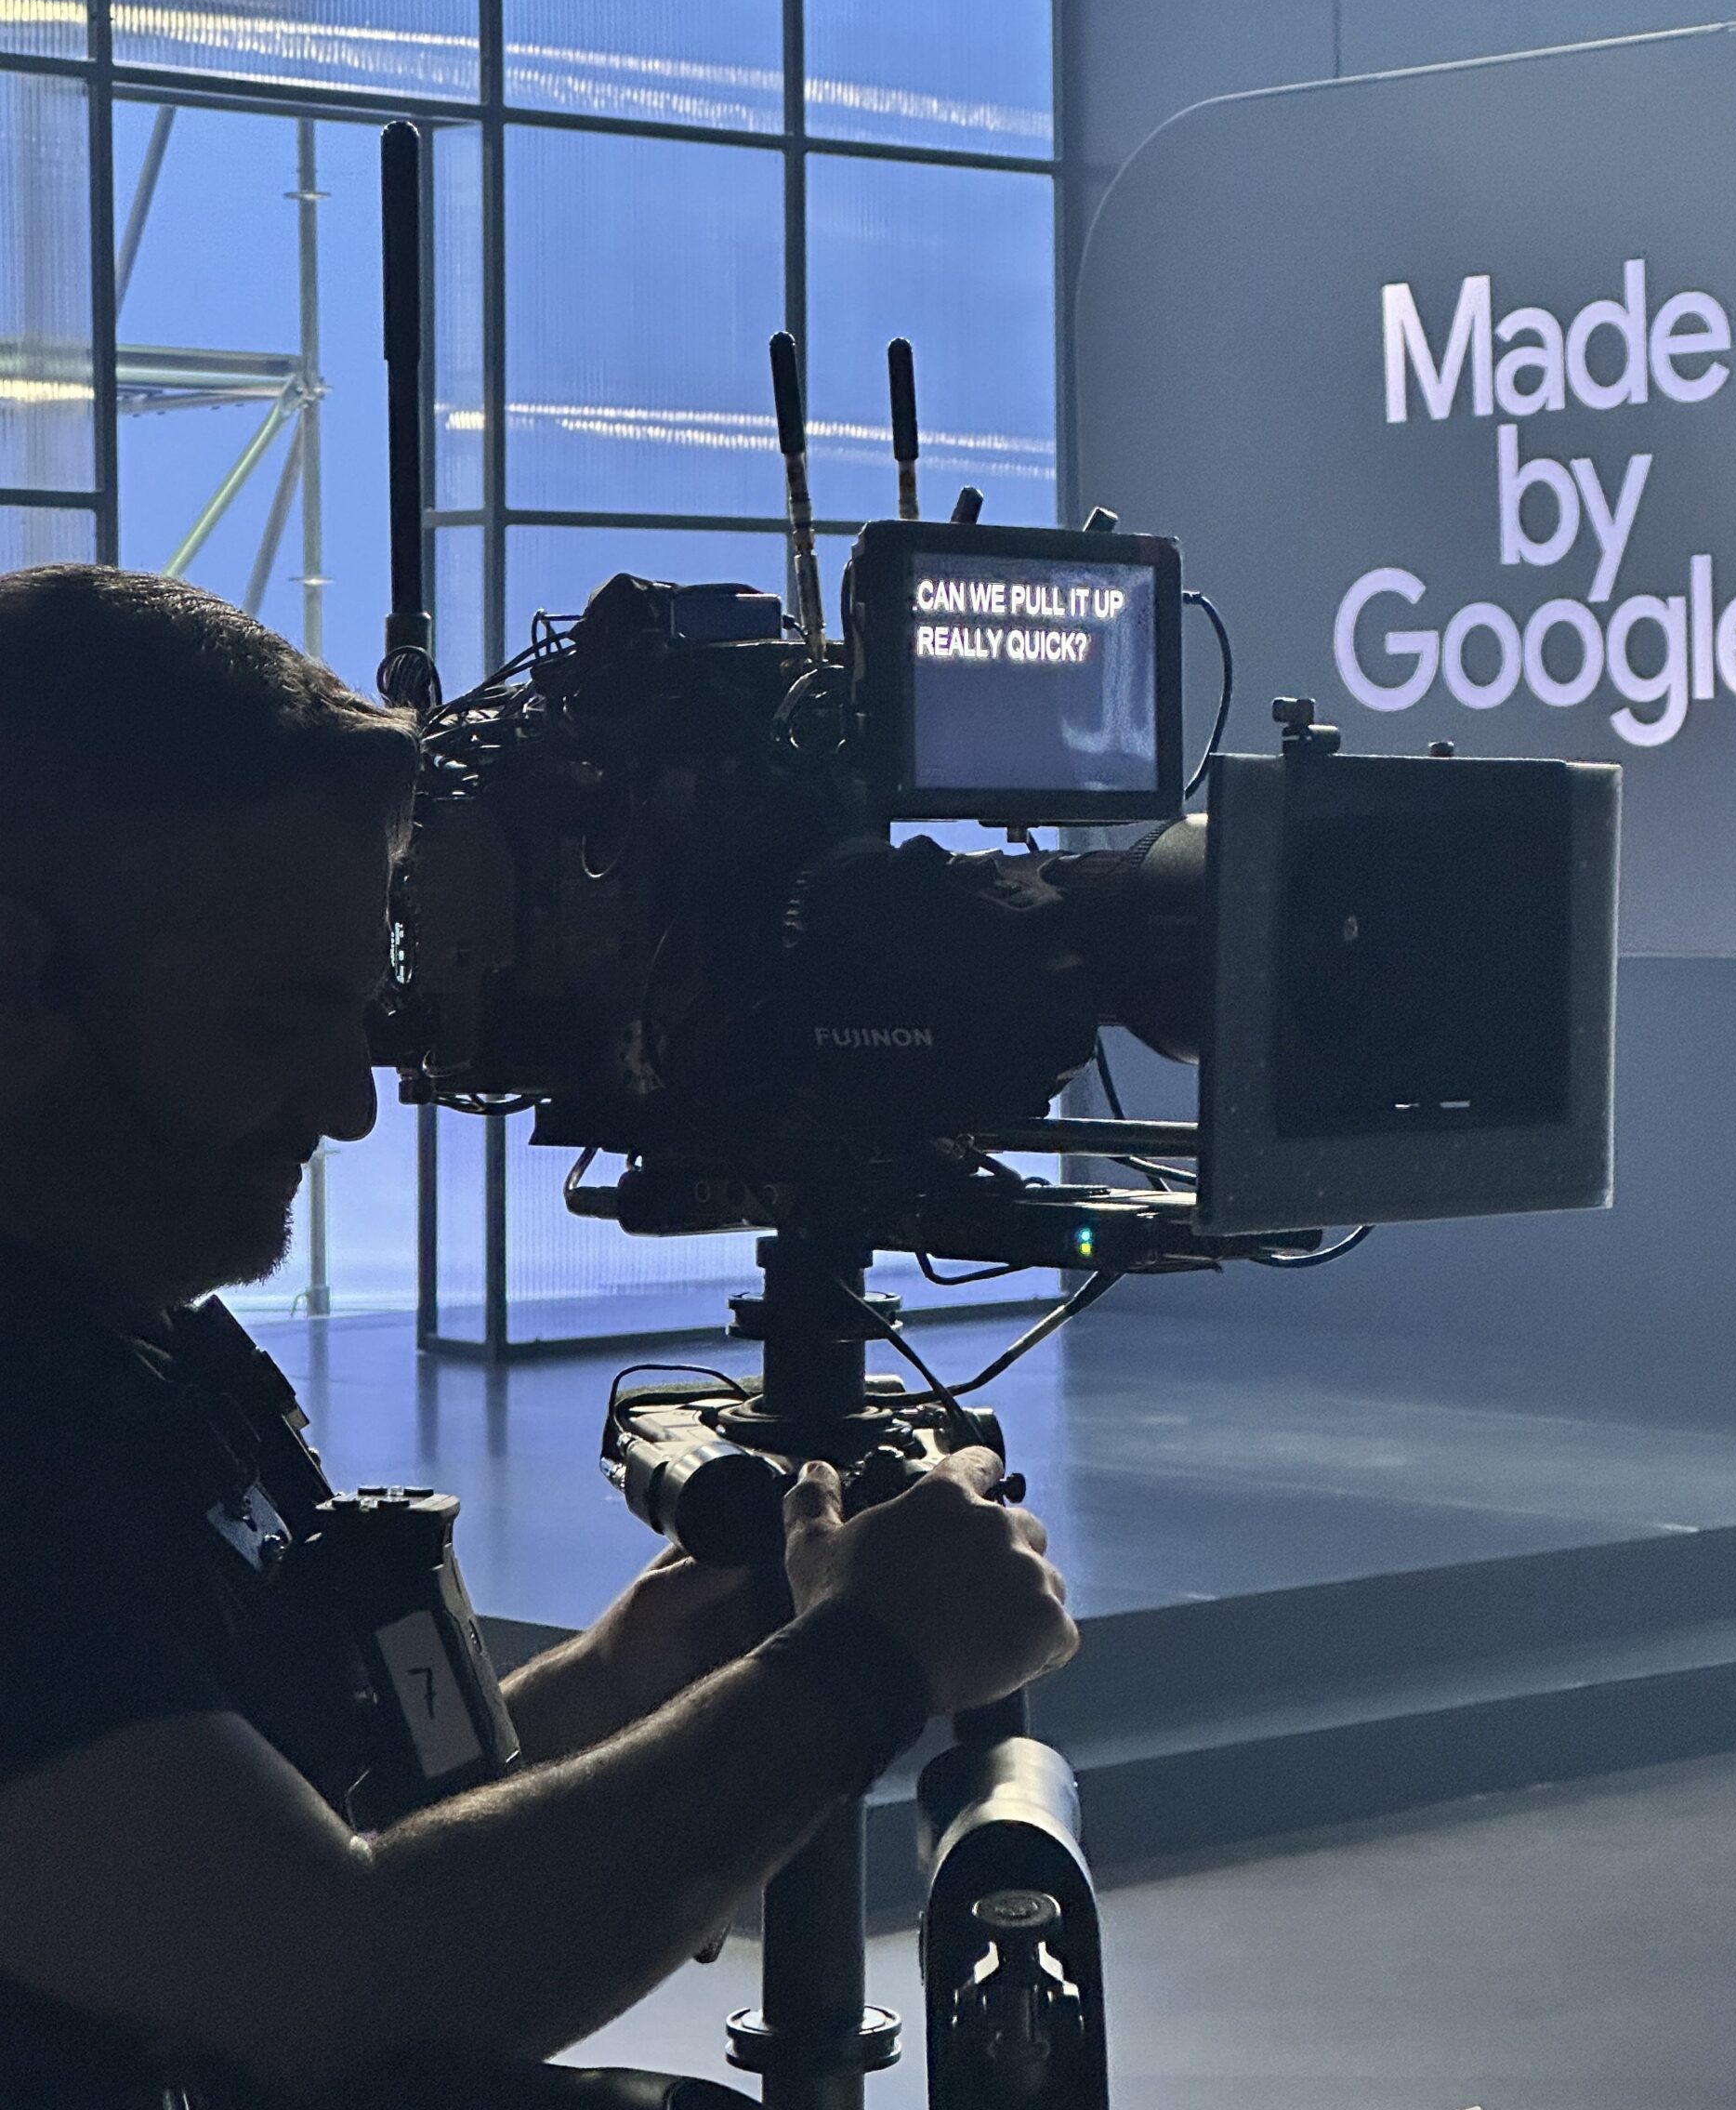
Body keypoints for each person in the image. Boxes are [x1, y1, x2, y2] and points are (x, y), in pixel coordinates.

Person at [0, 565, 1079, 2109]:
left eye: (363, 1014)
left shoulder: (124, 1331)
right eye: (274, 1020)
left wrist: (621, 1687)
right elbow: (328, 1983)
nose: (350, 1102)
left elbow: (306, 1817)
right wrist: (865, 1666)